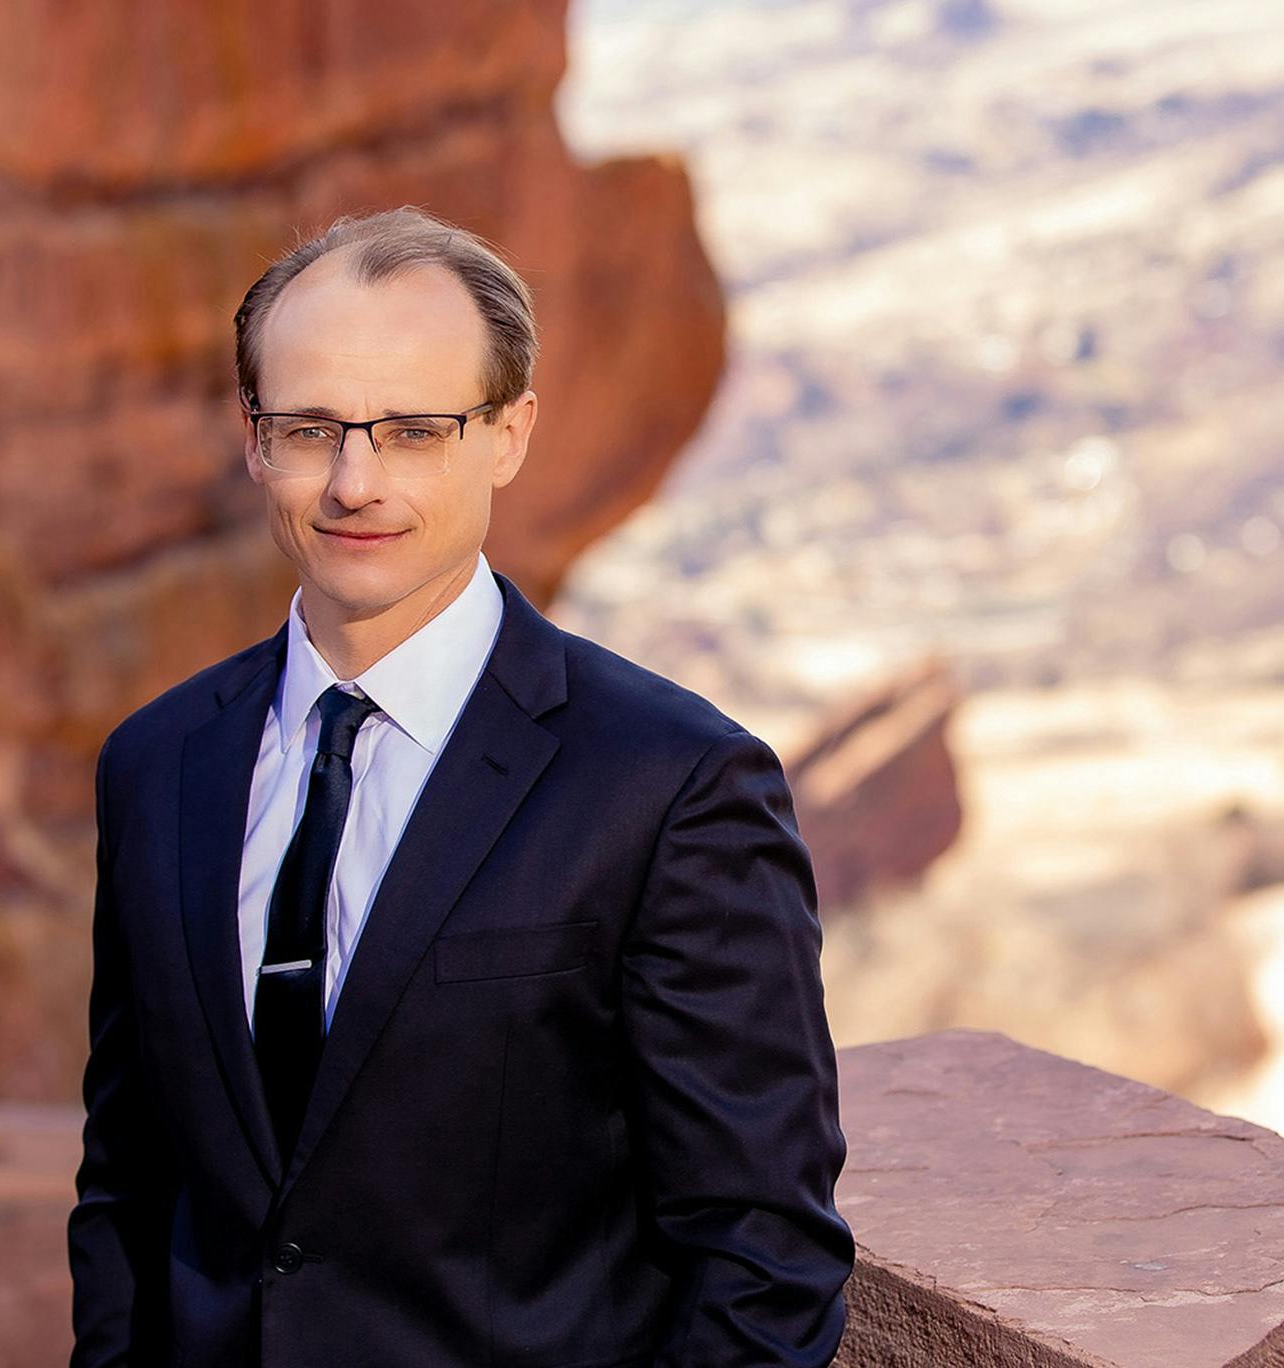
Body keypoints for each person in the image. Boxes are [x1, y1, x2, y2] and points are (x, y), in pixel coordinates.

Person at [67, 206, 856, 1368]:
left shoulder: (671, 785)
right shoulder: (157, 763)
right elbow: (128, 1186)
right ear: (252, 437)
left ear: (509, 434)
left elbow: (764, 1252)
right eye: (309, 428)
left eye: (415, 431)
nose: (353, 482)